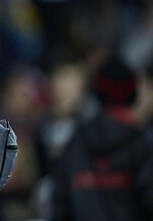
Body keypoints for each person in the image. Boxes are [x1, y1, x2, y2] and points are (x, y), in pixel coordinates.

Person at [49, 53, 153, 221]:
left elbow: (59, 205)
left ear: (97, 92)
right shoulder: (141, 144)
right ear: (133, 93)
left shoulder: (75, 142)